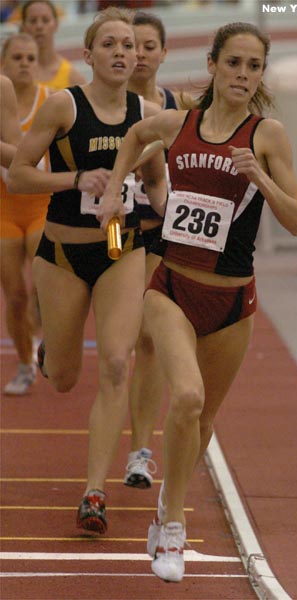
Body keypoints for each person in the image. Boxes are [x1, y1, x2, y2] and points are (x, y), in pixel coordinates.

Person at [98, 21, 297, 582]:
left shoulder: (268, 135)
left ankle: (172, 496)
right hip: (171, 286)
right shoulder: (176, 122)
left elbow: (296, 221)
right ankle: (171, 522)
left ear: (261, 74)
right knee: (185, 396)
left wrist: (259, 177)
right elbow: (136, 138)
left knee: (204, 420)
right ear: (213, 65)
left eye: (253, 66)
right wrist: (118, 189)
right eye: (233, 63)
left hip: (234, 300)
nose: (242, 75)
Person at [8, 6, 167, 534]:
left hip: (123, 249)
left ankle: (93, 492)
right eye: (112, 45)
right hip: (61, 255)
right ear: (90, 54)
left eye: (131, 45)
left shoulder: (146, 113)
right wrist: (75, 180)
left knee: (118, 362)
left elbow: (156, 179)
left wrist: (164, 213)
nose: (124, 53)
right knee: (64, 379)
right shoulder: (64, 107)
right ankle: (52, 349)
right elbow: (18, 176)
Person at [124, 10, 194, 491]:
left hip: (156, 230)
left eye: (150, 46)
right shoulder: (98, 104)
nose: (141, 54)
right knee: (116, 334)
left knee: (146, 339)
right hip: (108, 230)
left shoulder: (178, 107)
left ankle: (139, 452)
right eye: (133, 45)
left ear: (164, 53)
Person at [1, 33, 52, 395]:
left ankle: (50, 343)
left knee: (43, 286)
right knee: (15, 295)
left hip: (41, 203)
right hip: (4, 206)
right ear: (4, 63)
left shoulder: (51, 100)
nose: (24, 64)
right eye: (16, 57)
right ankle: (23, 362)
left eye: (30, 58)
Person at [20, 0, 86, 89]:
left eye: (45, 20)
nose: (39, 26)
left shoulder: (72, 77)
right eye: (33, 21)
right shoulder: (15, 72)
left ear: (56, 24)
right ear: (23, 26)